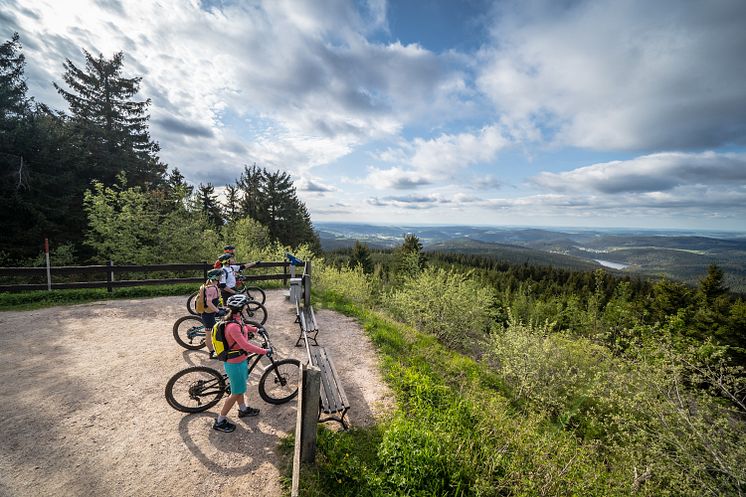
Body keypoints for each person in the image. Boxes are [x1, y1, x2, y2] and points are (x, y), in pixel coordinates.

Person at [213, 294, 271, 433]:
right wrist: (264, 351)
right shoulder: (232, 326)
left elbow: (244, 327)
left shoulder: (236, 319)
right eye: (244, 305)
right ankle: (220, 421)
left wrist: (257, 329)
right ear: (240, 308)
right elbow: (246, 346)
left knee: (239, 387)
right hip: (235, 363)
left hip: (241, 360)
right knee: (236, 392)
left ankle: (243, 409)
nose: (246, 307)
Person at [200, 268, 224, 359]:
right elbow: (209, 302)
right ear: (215, 277)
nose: (221, 277)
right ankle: (211, 352)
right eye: (220, 276)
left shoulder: (213, 285)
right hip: (208, 313)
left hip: (212, 311)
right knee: (209, 334)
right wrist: (218, 311)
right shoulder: (211, 288)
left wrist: (219, 308)